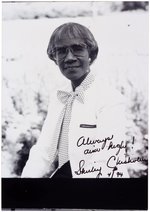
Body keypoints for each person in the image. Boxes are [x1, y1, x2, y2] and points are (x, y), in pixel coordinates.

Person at [21, 22, 129, 178]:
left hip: (102, 190)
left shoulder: (110, 99)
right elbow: (43, 151)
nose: (69, 58)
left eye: (77, 49)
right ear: (54, 58)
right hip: (68, 185)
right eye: (61, 51)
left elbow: (106, 160)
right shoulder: (59, 97)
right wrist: (24, 188)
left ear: (91, 54)